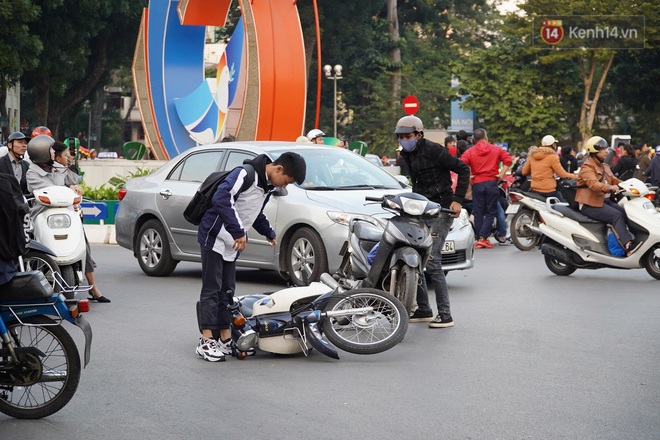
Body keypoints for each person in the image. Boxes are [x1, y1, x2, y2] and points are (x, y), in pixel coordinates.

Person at [196, 152, 306, 361]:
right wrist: (238, 231)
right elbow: (221, 198)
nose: (285, 186)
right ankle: (206, 341)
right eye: (287, 181)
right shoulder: (245, 174)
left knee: (227, 291)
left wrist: (268, 231)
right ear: (278, 169)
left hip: (233, 242)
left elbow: (254, 212)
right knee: (212, 288)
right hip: (214, 235)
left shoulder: (267, 186)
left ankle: (225, 339)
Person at [396, 115, 469, 328]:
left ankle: (445, 315)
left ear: (419, 135)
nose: (404, 140)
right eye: (400, 137)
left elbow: (463, 169)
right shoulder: (405, 155)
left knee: (432, 260)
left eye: (408, 136)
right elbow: (417, 185)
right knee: (415, 257)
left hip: (443, 208)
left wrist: (458, 200)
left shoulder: (434, 150)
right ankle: (424, 309)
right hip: (422, 209)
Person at [26, 135, 111, 302]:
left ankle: (94, 288)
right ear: (42, 152)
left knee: (83, 244)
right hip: (43, 213)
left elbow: (75, 180)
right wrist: (66, 188)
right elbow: (49, 190)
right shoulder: (32, 172)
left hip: (66, 213)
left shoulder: (57, 167)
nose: (54, 154)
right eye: (51, 151)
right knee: (34, 244)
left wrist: (71, 174)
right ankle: (33, 282)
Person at [575, 136, 640, 256]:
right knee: (617, 216)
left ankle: (638, 238)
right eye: (603, 149)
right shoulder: (587, 167)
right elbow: (594, 184)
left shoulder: (604, 166)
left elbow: (614, 180)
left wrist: (631, 185)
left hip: (603, 201)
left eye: (606, 149)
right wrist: (610, 187)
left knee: (627, 212)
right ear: (594, 151)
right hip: (590, 204)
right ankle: (627, 245)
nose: (606, 151)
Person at [459, 128, 512, 249]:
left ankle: (480, 238)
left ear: (474, 139)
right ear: (486, 137)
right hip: (492, 182)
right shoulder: (496, 149)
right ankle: (483, 238)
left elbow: (461, 165)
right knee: (491, 211)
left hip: (477, 184)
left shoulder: (470, 151)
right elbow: (508, 161)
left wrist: (470, 177)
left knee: (478, 212)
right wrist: (501, 174)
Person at [521, 135, 577, 201]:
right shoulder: (553, 156)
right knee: (564, 206)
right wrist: (575, 176)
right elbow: (562, 174)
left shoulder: (532, 155)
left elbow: (524, 172)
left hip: (535, 190)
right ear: (553, 145)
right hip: (549, 191)